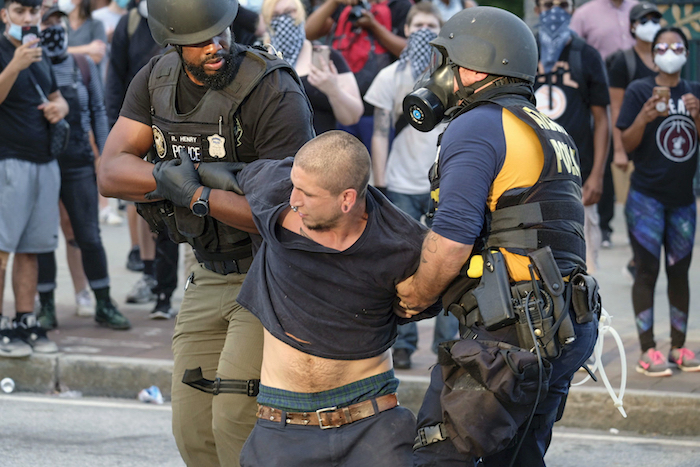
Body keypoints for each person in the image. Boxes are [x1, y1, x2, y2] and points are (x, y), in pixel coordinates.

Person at [96, 0, 315, 464]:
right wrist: (167, 180)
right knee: (191, 430)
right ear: (172, 42)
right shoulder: (155, 81)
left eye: (221, 33)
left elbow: (285, 214)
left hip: (268, 276)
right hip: (206, 271)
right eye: (199, 41)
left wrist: (196, 195)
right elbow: (111, 172)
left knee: (235, 421)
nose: (216, 46)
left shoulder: (271, 89)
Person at [395, 7, 598, 465]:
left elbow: (451, 239)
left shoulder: (477, 125)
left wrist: (412, 295)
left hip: (509, 336)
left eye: (444, 61)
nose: (438, 74)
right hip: (563, 326)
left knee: (435, 457)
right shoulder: (550, 129)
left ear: (470, 67)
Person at [196, 131, 437, 466]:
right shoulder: (278, 185)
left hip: (371, 424)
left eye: (307, 194)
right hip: (280, 426)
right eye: (295, 185)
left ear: (347, 199)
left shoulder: (401, 243)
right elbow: (235, 173)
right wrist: (196, 184)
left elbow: (433, 291)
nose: (293, 199)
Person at [364, 1, 457, 370]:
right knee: (402, 266)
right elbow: (381, 132)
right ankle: (403, 343)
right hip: (401, 183)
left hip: (444, 185)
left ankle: (447, 345)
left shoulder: (453, 80)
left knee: (449, 264)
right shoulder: (390, 76)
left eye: (429, 25)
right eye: (416, 24)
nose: (422, 29)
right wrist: (381, 183)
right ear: (405, 30)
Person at [35, 5, 130, 330]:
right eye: (46, 24)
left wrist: (105, 155)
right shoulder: (30, 66)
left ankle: (103, 301)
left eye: (57, 23)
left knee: (89, 235)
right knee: (44, 238)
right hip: (42, 163)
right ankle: (45, 305)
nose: (53, 30)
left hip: (78, 163)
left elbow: (99, 111)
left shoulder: (82, 65)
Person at [617, 27, 700, 376]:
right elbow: (628, 141)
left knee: (680, 272)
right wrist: (645, 116)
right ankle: (648, 349)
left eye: (676, 46)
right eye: (663, 46)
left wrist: (697, 116)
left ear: (686, 52)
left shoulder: (695, 92)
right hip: (645, 199)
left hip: (683, 200)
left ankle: (679, 346)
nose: (670, 51)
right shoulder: (639, 91)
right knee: (647, 272)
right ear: (653, 55)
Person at [0, 0, 68, 357]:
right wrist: (14, 64)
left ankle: (24, 319)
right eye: (20, 12)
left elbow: (58, 97)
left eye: (33, 12)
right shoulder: (7, 51)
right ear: (4, 15)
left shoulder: (38, 52)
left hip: (45, 162)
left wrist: (61, 108)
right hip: (8, 161)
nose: (27, 19)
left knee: (31, 250)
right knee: (1, 250)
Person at [533, 0, 610, 273]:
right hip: (529, 176)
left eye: (563, 4)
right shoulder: (524, 51)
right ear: (536, 10)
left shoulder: (586, 55)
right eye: (547, 4)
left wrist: (597, 175)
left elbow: (602, 120)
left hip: (577, 176)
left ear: (573, 10)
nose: (555, 11)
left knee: (583, 266)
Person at [570, 0, 637, 249]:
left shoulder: (636, 8)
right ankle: (606, 225)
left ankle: (637, 227)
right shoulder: (585, 13)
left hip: (635, 86)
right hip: (601, 87)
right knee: (605, 154)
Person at [305, 0, 412, 148]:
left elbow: (409, 50)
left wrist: (374, 25)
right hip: (339, 107)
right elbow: (308, 32)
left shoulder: (399, 5)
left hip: (379, 108)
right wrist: (334, 2)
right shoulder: (343, 4)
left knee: (376, 165)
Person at [607, 1, 660, 278]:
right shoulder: (623, 61)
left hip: (661, 145)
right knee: (635, 204)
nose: (652, 25)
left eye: (655, 19)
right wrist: (619, 150)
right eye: (645, 19)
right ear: (633, 26)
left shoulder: (666, 58)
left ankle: (644, 255)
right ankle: (639, 256)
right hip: (633, 142)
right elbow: (616, 109)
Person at [260, 0, 363, 134]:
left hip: (320, 149)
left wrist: (333, 90)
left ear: (301, 15)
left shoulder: (322, 56)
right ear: (267, 21)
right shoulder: (262, 61)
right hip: (276, 149)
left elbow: (352, 117)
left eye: (289, 12)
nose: (284, 19)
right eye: (275, 15)